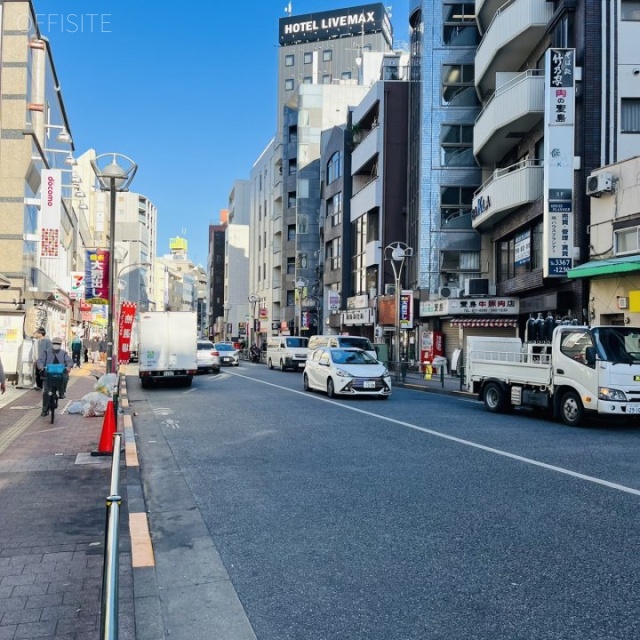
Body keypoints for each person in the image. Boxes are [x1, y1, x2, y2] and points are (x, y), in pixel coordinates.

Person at [36, 336, 72, 416]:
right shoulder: (46, 352)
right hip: (48, 374)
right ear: (52, 344)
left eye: (58, 344)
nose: (56, 345)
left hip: (59, 373)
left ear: (60, 345)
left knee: (65, 377)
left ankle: (62, 392)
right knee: (46, 392)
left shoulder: (64, 353)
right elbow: (40, 361)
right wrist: (41, 367)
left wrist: (69, 367)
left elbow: (69, 361)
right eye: (55, 343)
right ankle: (44, 410)